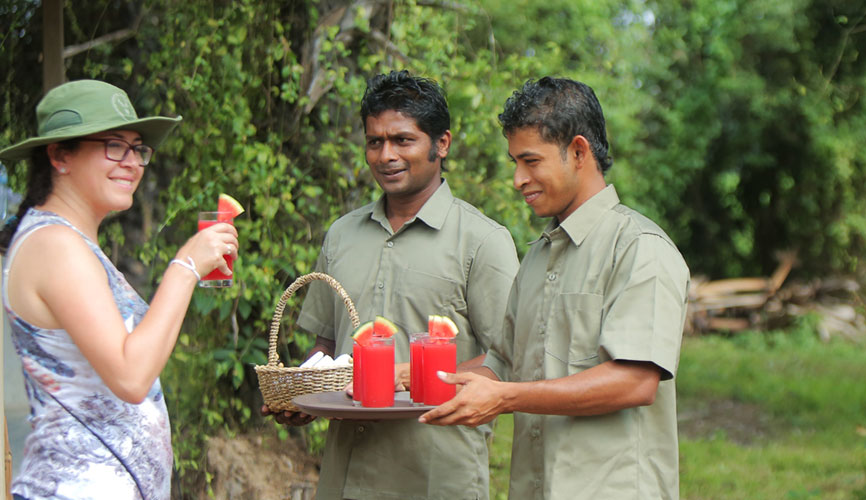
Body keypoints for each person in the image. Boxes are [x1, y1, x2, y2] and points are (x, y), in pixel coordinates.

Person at [420, 77, 690, 500]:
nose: (517, 179)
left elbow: (635, 381)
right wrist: (414, 378)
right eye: (514, 162)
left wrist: (507, 398)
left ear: (579, 152)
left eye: (530, 161)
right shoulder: (537, 258)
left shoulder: (640, 249)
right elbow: (502, 363)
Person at [262, 70, 518, 500]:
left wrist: (406, 376)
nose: (385, 155)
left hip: (436, 474)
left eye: (403, 140)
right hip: (345, 474)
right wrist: (304, 393)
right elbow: (327, 341)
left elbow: (508, 356)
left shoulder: (483, 241)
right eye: (374, 141)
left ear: (442, 144)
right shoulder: (341, 234)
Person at [0, 80, 239, 499]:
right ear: (60, 155)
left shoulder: (72, 242)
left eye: (138, 148)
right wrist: (185, 267)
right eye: (114, 146)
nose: (133, 162)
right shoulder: (55, 245)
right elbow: (130, 376)